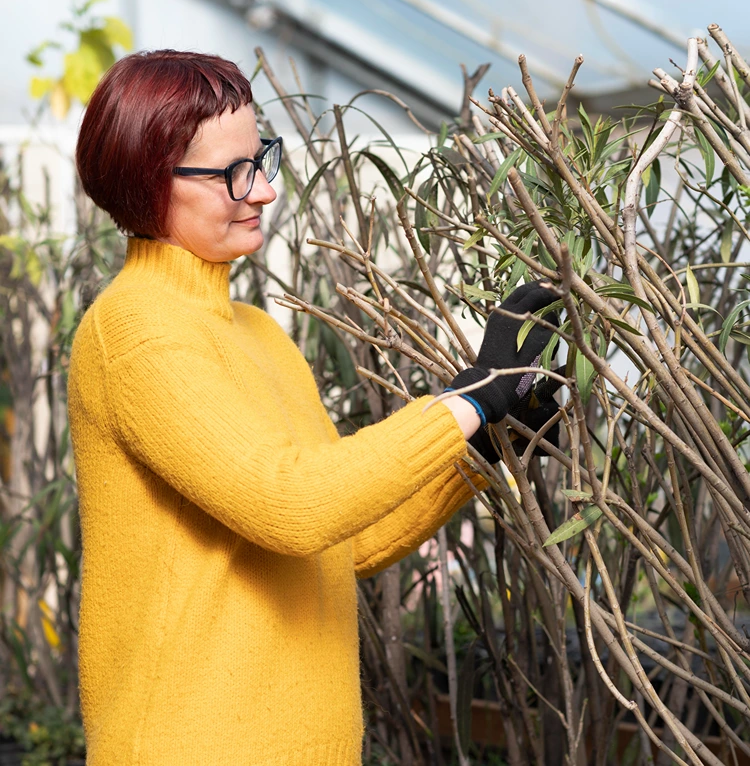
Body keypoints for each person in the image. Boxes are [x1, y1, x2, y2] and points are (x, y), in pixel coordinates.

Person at [68, 49, 557, 766]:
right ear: (150, 181)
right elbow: (293, 506)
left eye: (261, 157)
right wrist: (467, 399)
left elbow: (341, 539)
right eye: (233, 172)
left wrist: (481, 450)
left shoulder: (258, 334)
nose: (263, 189)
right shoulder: (133, 330)